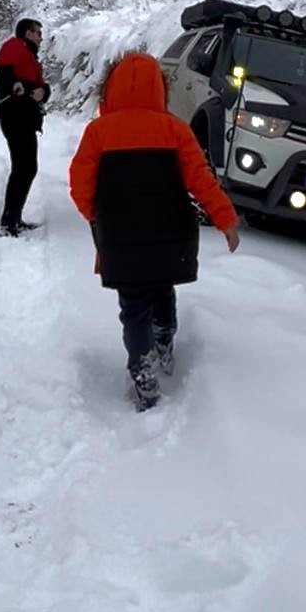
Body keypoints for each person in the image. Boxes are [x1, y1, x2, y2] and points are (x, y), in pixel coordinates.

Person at [68, 51, 240, 410]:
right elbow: (201, 182)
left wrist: (96, 217)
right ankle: (165, 340)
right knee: (162, 288)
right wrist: (225, 220)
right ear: (158, 89)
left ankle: (141, 367)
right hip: (170, 234)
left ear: (110, 90)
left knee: (133, 305)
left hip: (120, 237)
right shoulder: (175, 130)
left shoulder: (98, 132)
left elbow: (80, 184)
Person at [0, 17, 50, 234]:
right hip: (14, 113)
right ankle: (9, 221)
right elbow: (5, 71)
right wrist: (14, 84)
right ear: (28, 33)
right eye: (38, 33)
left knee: (26, 167)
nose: (41, 38)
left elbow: (40, 85)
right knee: (24, 167)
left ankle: (13, 218)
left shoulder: (30, 56)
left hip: (26, 116)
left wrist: (43, 92)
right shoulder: (14, 46)